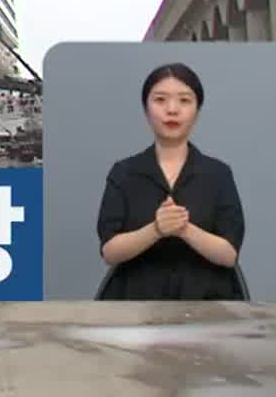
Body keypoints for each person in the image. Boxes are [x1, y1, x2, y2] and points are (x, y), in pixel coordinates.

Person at [95, 63, 245, 300]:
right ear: (146, 109)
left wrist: (185, 229)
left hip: (209, 302)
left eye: (184, 100)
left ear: (197, 110)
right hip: (135, 302)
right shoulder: (124, 172)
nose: (172, 110)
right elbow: (109, 252)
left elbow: (229, 254)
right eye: (160, 100)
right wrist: (155, 230)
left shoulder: (218, 173)